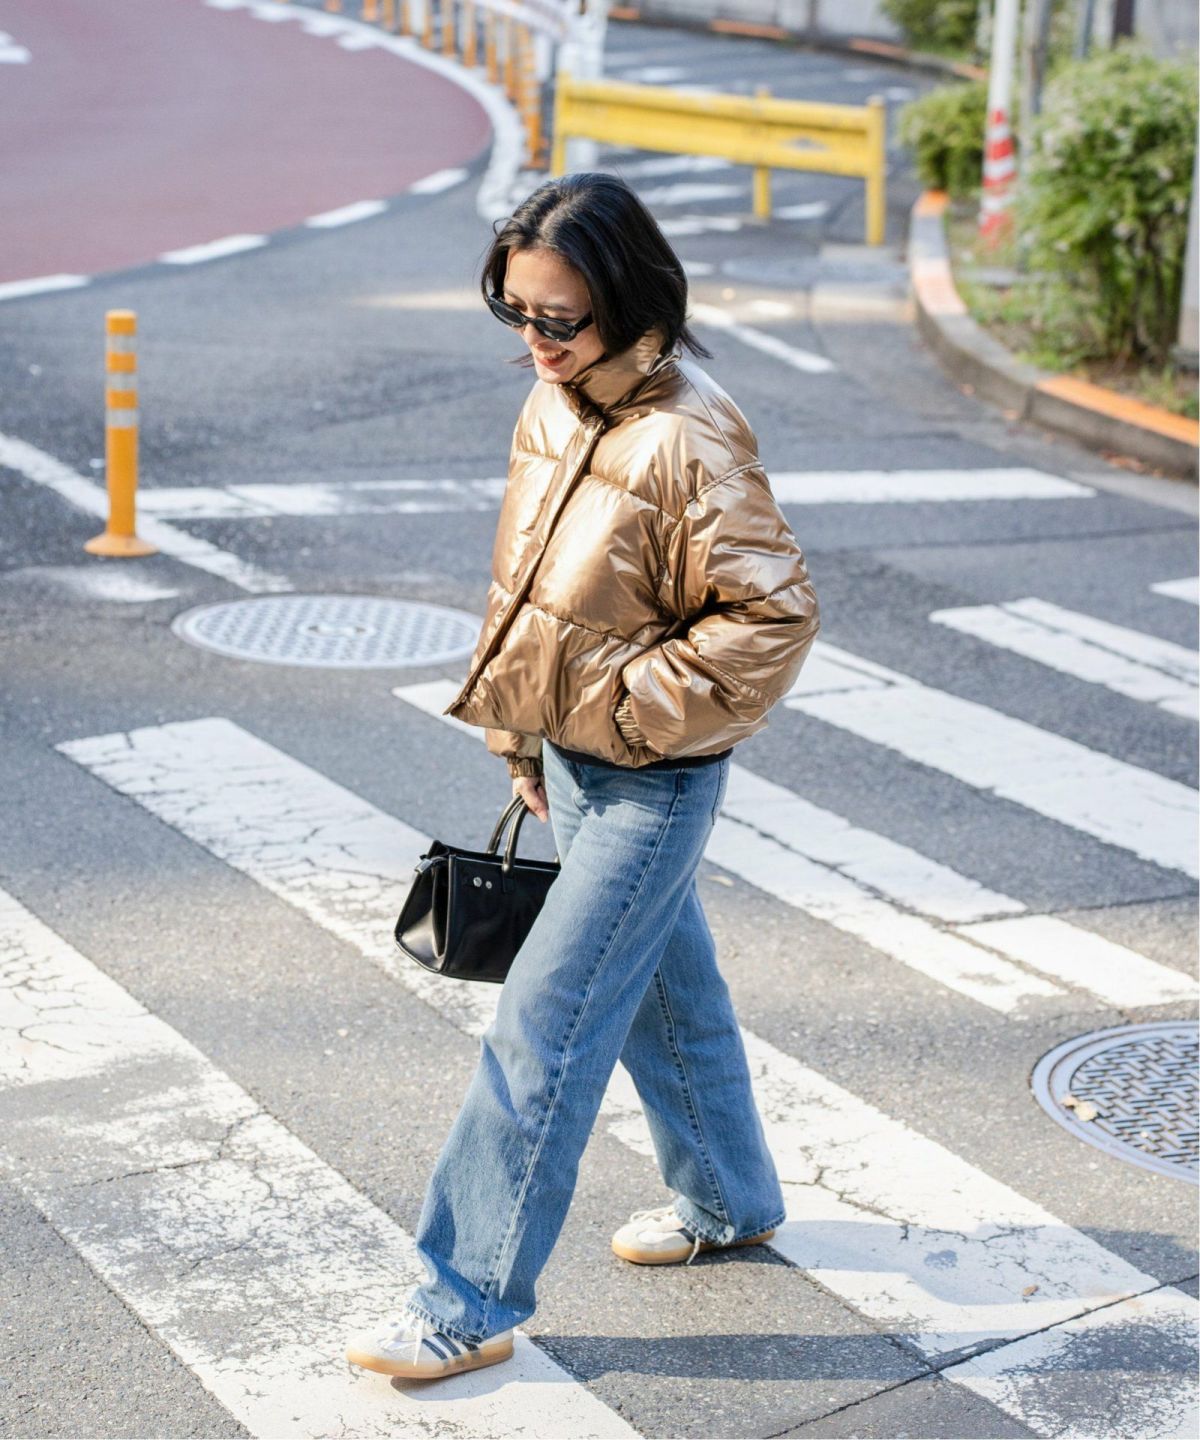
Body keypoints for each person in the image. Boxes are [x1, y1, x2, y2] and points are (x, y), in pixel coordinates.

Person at [345, 172, 820, 1382]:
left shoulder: (690, 432)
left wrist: (617, 711)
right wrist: (522, 732)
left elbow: (773, 616)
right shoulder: (554, 403)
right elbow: (528, 588)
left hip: (653, 780)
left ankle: (463, 1300)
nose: (535, 341)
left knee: (543, 1029)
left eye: (559, 318)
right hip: (574, 759)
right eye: (515, 312)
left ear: (630, 298)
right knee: (665, 990)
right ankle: (730, 1199)